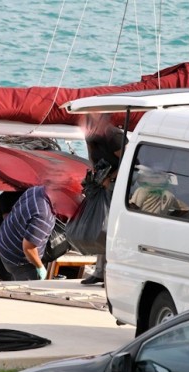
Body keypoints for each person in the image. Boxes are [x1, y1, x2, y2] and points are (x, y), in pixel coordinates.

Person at [80, 115, 127, 285]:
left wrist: (111, 178)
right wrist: (95, 177)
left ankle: (109, 273)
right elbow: (93, 159)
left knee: (111, 228)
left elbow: (130, 159)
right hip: (103, 183)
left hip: (118, 184)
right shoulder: (91, 135)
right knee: (102, 226)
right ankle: (100, 271)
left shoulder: (113, 136)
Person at [0, 186, 56, 281]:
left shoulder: (36, 190)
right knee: (27, 288)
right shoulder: (43, 216)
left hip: (5, 245)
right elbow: (28, 248)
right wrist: (40, 268)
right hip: (19, 259)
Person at [0, 190, 24, 281]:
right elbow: (10, 223)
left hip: (17, 246)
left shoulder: (28, 197)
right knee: (8, 281)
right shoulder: (8, 196)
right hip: (3, 246)